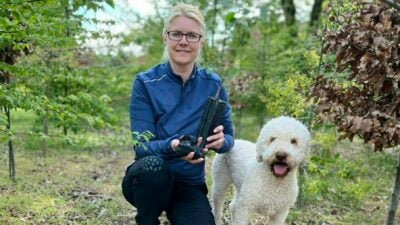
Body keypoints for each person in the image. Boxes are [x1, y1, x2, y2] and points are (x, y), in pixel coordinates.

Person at [121, 3, 234, 225]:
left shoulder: (214, 84)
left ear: (201, 41)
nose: (184, 41)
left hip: (188, 184)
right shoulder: (145, 83)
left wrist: (221, 141)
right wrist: (172, 146)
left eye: (192, 35)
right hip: (148, 181)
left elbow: (229, 138)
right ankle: (147, 219)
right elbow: (142, 146)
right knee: (154, 167)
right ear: (165, 38)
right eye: (176, 34)